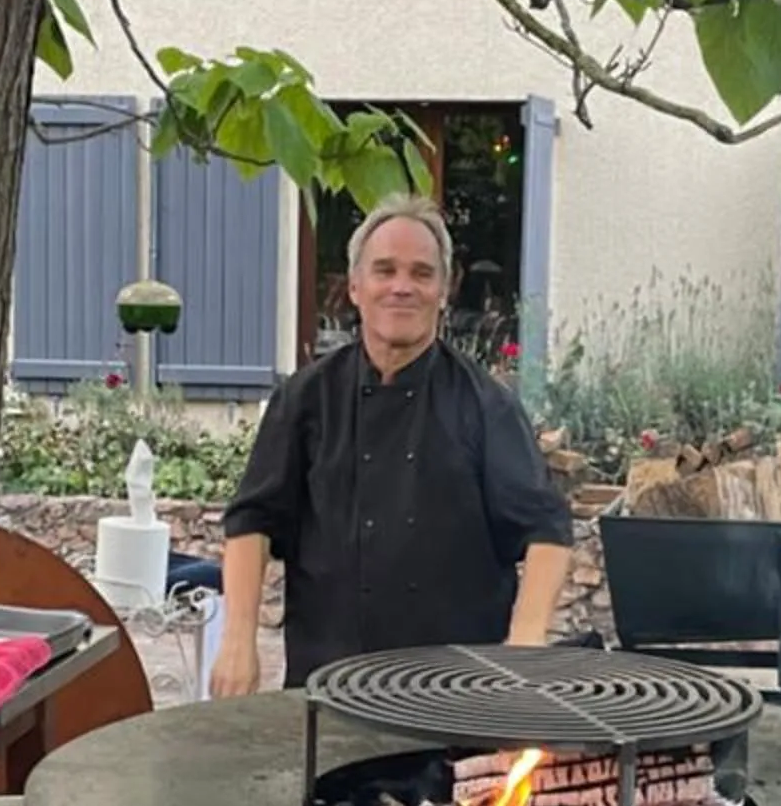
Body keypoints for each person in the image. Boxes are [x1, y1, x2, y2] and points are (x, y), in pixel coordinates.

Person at [208, 197, 573, 695]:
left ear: (444, 291)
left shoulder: (486, 404)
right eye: (385, 270)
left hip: (456, 695)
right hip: (326, 685)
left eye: (422, 274)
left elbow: (546, 529)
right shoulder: (306, 398)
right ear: (355, 287)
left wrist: (525, 642)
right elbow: (251, 521)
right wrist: (237, 640)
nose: (402, 286)